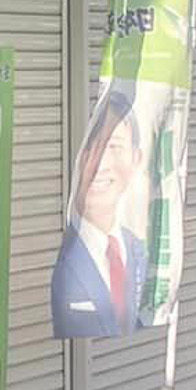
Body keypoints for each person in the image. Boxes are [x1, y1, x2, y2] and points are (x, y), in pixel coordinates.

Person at [52, 91, 149, 338]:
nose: (100, 165)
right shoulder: (63, 256)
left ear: (136, 159)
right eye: (93, 147)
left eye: (114, 146)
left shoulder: (142, 252)